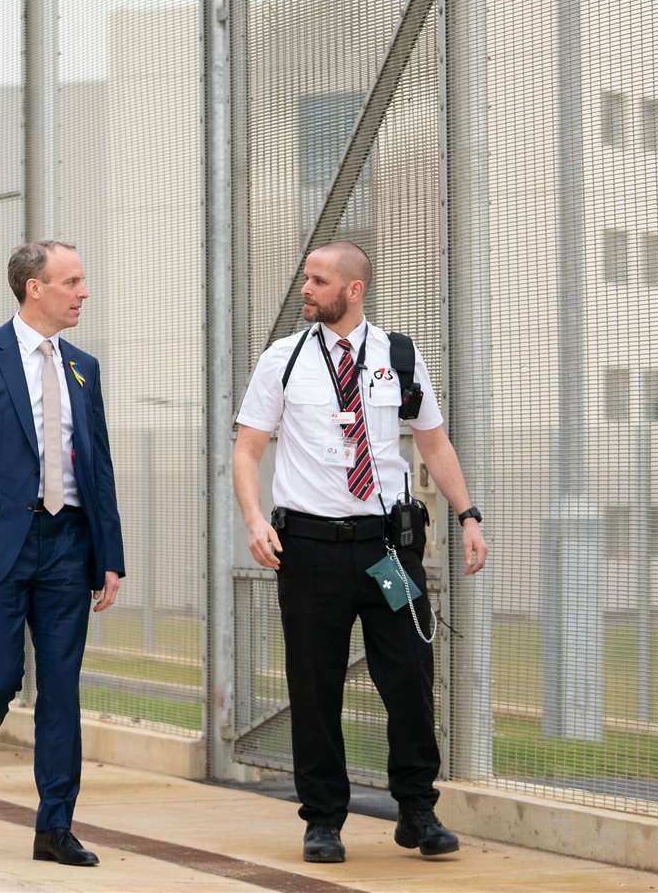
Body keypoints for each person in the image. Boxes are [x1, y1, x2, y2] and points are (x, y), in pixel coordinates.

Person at [233, 241, 488, 864]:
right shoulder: (282, 360)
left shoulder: (397, 356)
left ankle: (417, 811)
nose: (306, 289)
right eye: (306, 278)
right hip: (311, 551)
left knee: (409, 679)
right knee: (314, 687)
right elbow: (247, 450)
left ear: (353, 290)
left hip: (388, 551)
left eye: (318, 280)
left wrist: (468, 515)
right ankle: (323, 819)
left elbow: (432, 442)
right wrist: (253, 519)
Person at [0, 240, 126, 867]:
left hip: (68, 545)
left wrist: (109, 556)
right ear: (34, 288)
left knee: (62, 688)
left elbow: (98, 468)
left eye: (83, 281)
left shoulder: (83, 368)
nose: (83, 293)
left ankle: (55, 826)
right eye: (72, 281)